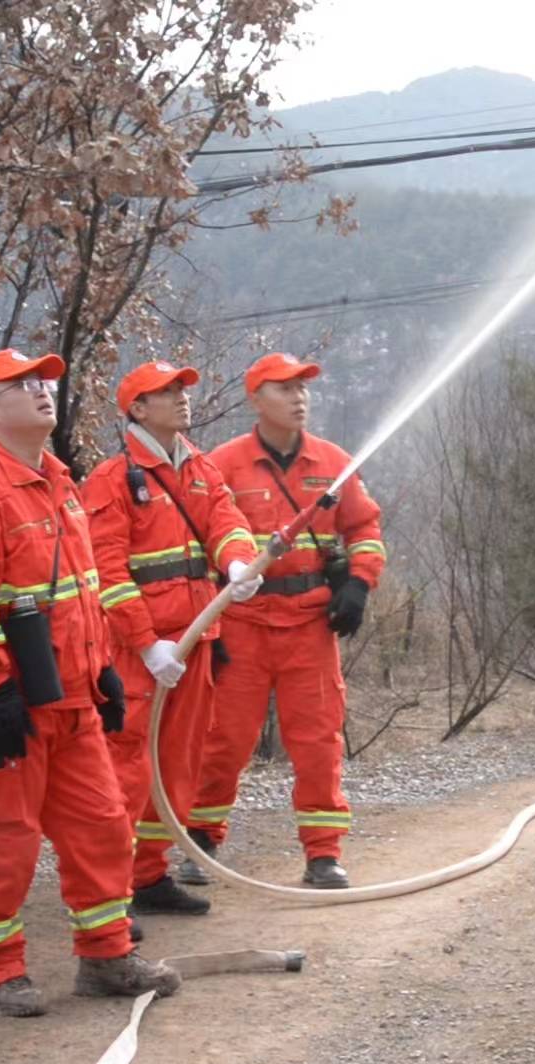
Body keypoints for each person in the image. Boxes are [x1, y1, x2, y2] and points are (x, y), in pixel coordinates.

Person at [0, 348, 180, 1017]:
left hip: (73, 701)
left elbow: (78, 589)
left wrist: (99, 667)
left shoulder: (59, 482)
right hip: (4, 706)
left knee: (102, 828)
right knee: (2, 842)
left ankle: (105, 958)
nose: (43, 392)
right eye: (23, 385)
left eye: (45, 382)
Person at [194, 352, 386, 889]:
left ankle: (323, 854)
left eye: (304, 387)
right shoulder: (223, 465)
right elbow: (196, 544)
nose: (299, 397)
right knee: (223, 739)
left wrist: (358, 584)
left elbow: (365, 528)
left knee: (318, 741)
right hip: (243, 623)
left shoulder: (334, 461)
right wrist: (206, 628)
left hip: (309, 625)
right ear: (255, 399)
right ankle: (202, 841)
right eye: (285, 388)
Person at [81, 360, 260, 913]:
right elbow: (107, 574)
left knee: (178, 764)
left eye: (183, 388)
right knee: (129, 768)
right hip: (145, 652)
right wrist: (144, 643)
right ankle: (109, 890)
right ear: (137, 409)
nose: (183, 398)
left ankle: (150, 876)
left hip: (196, 641)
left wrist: (237, 565)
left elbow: (227, 524)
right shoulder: (112, 481)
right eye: (167, 392)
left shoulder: (200, 468)